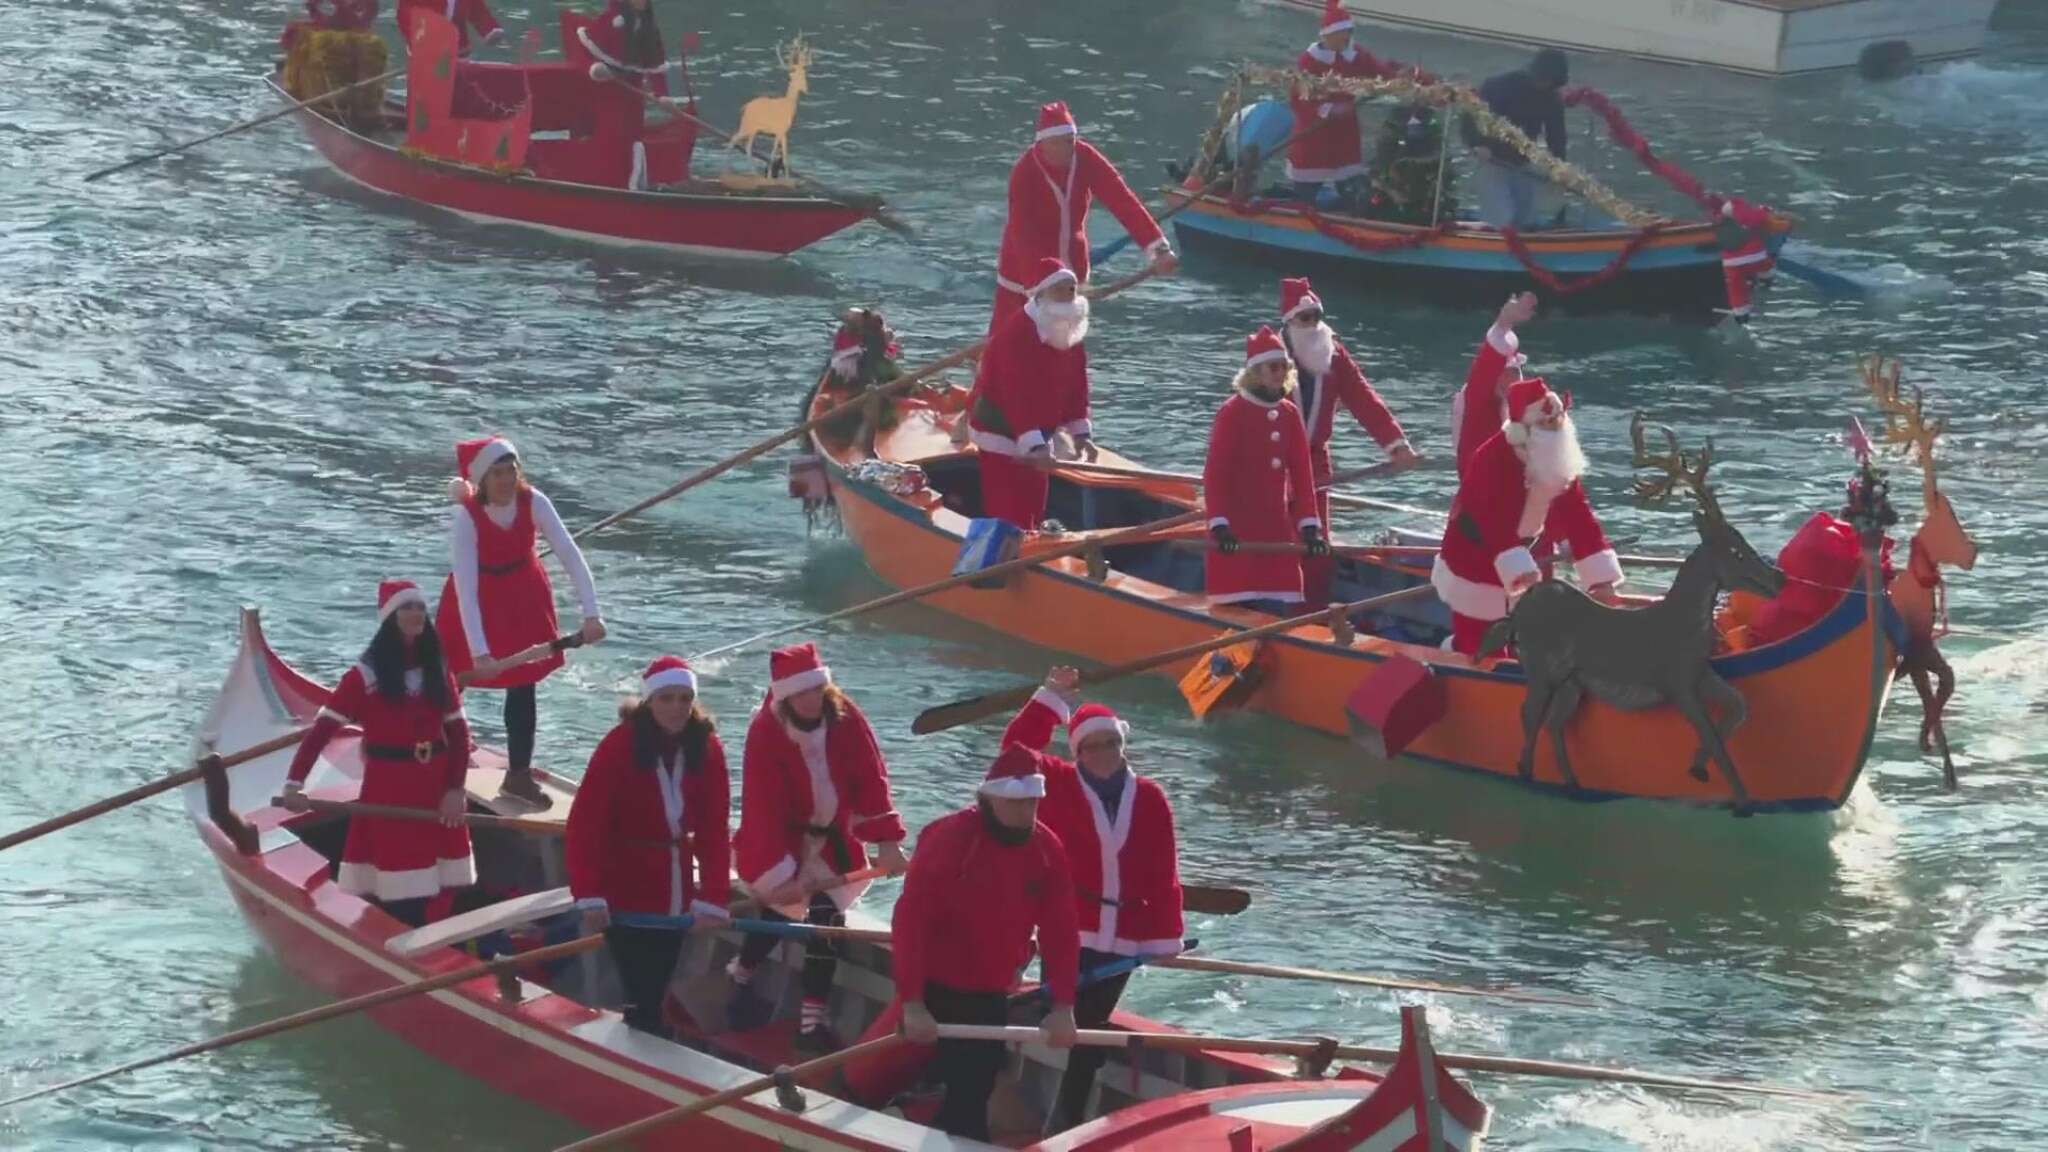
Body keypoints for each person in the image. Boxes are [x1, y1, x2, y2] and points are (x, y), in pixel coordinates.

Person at [1003, 666, 1183, 1134]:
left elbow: (1165, 872)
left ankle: (1066, 1124)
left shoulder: (1150, 797)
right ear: (1077, 751)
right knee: (1064, 1016)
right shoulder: (1057, 783)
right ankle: (1018, 1038)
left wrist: (1167, 936)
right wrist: (1051, 699)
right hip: (1070, 924)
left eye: (1110, 744)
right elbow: (1015, 750)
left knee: (1087, 1028)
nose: (1103, 753)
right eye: (1091, 745)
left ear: (1122, 746)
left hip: (1126, 936)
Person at [893, 744, 1080, 1140]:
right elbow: (910, 922)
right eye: (1013, 802)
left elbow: (1061, 932)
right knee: (965, 1094)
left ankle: (939, 1117)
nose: (1023, 812)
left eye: (1031, 802)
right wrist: (912, 1002)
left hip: (992, 987)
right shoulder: (950, 839)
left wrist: (1064, 1005)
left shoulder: (1047, 850)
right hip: (935, 984)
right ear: (988, 797)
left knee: (976, 1085)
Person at [729, 643, 910, 1050]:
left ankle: (811, 1021)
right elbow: (763, 805)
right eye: (801, 694)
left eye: (816, 691)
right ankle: (740, 974)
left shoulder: (846, 716)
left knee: (827, 923)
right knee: (776, 913)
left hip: (833, 840)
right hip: (783, 837)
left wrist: (887, 841)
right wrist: (782, 872)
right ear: (786, 697)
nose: (811, 700)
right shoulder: (765, 730)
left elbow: (871, 776)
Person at [280, 580, 474, 928]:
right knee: (403, 879)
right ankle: (406, 935)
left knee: (445, 877)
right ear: (390, 618)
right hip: (391, 790)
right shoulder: (364, 676)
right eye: (406, 608)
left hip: (436, 785)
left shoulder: (437, 668)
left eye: (419, 607)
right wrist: (294, 783)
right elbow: (322, 731)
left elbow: (459, 734)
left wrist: (455, 789)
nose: (416, 613)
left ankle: (436, 934)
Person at [564, 656, 732, 1037]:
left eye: (684, 698)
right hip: (622, 880)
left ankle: (647, 1027)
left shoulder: (707, 748)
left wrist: (715, 896)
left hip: (674, 885)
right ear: (649, 702)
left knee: (658, 974)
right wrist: (588, 893)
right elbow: (586, 825)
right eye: (667, 698)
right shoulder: (618, 745)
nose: (677, 708)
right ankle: (643, 1029)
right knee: (641, 982)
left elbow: (714, 831)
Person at [435, 436, 606, 810]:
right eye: (496, 473)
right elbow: (466, 588)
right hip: (476, 600)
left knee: (523, 687)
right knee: (448, 685)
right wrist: (479, 652)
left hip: (523, 598)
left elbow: (569, 555)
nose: (505, 480)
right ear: (481, 480)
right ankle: (430, 760)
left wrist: (591, 613)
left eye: (510, 470)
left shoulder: (534, 501)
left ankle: (518, 775)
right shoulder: (467, 517)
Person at [1432, 378, 1623, 657]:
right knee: (1482, 645)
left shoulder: (1559, 455)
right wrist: (1522, 572)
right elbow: (1493, 524)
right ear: (1522, 432)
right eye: (1547, 424)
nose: (1557, 428)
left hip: (1523, 549)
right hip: (1475, 554)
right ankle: (1460, 657)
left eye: (1559, 420)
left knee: (1532, 632)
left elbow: (1579, 517)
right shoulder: (1490, 460)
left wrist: (1600, 581)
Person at [1278, 277, 1415, 604]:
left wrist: (1397, 445)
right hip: (1272, 463)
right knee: (1276, 541)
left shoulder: (1334, 353)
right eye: (1305, 318)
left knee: (1315, 545)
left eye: (1317, 317)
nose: (1313, 325)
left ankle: (1311, 612)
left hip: (1314, 463)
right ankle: (1268, 608)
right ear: (1289, 321)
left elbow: (1363, 399)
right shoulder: (1268, 355)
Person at [990, 100, 1177, 333]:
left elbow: (1123, 201)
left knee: (1066, 348)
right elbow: (1023, 234)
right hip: (1022, 273)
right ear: (1042, 144)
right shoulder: (1024, 173)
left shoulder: (1086, 158)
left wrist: (1158, 248)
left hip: (1072, 270)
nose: (1064, 150)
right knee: (1007, 342)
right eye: (1056, 143)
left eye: (1069, 142)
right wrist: (1042, 287)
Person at [1204, 327, 1326, 615]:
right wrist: (1219, 525)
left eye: (1284, 366)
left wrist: (1309, 527)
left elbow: (1301, 473)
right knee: (1238, 602)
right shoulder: (1232, 412)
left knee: (1281, 600)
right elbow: (1216, 473)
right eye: (1274, 366)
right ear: (1255, 371)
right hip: (1238, 529)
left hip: (1275, 528)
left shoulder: (1289, 413)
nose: (1280, 372)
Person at [966, 257, 1094, 530]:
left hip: (1038, 430)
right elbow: (1017, 394)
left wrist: (1081, 433)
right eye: (1060, 289)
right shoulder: (1016, 335)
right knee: (1006, 507)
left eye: (1072, 289)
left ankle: (1029, 540)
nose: (1068, 296)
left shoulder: (1069, 330)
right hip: (1001, 428)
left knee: (1034, 503)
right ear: (1041, 294)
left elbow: (1077, 384)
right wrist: (1034, 444)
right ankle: (1000, 552)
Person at [1460, 48, 1571, 229]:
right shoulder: (1500, 86)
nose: (1544, 84)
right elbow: (1471, 116)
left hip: (1521, 162)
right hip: (1491, 159)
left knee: (1526, 218)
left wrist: (1559, 168)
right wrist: (1476, 144)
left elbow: (1557, 136)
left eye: (1550, 82)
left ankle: (1526, 239)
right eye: (1542, 79)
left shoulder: (1552, 99)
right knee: (1503, 217)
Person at [1287, 0, 1375, 207]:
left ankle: (1353, 213)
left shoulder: (1356, 55)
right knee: (1306, 191)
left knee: (1352, 186)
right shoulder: (1308, 62)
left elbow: (1381, 72)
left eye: (1349, 32)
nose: (1347, 38)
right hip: (1315, 135)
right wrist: (1327, 111)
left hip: (1345, 135)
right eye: (1343, 33)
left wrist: (1409, 77)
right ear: (1328, 35)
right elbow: (1298, 99)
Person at [1451, 292, 1539, 470]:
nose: (1508, 379)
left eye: (1513, 372)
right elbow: (1488, 361)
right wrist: (1504, 323)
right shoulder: (1476, 400)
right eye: (1503, 373)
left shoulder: (1527, 406)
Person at [578, 0, 671, 96]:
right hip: (606, 80)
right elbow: (590, 46)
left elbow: (655, 62)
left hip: (632, 81)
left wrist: (661, 94)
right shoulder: (610, 20)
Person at [397, 0, 503, 54]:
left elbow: (477, 10)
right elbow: (405, 16)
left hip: (459, 49)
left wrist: (489, 29)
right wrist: (419, 40)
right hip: (425, 53)